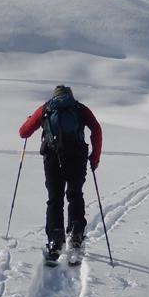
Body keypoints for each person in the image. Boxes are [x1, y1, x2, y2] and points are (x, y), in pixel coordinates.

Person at [19, 85, 102, 259]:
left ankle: (55, 239)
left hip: (52, 157)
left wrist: (30, 120)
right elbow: (96, 129)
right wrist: (94, 157)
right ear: (70, 96)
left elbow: (23, 133)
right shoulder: (80, 108)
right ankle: (76, 232)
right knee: (75, 194)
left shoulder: (46, 108)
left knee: (55, 198)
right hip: (77, 156)